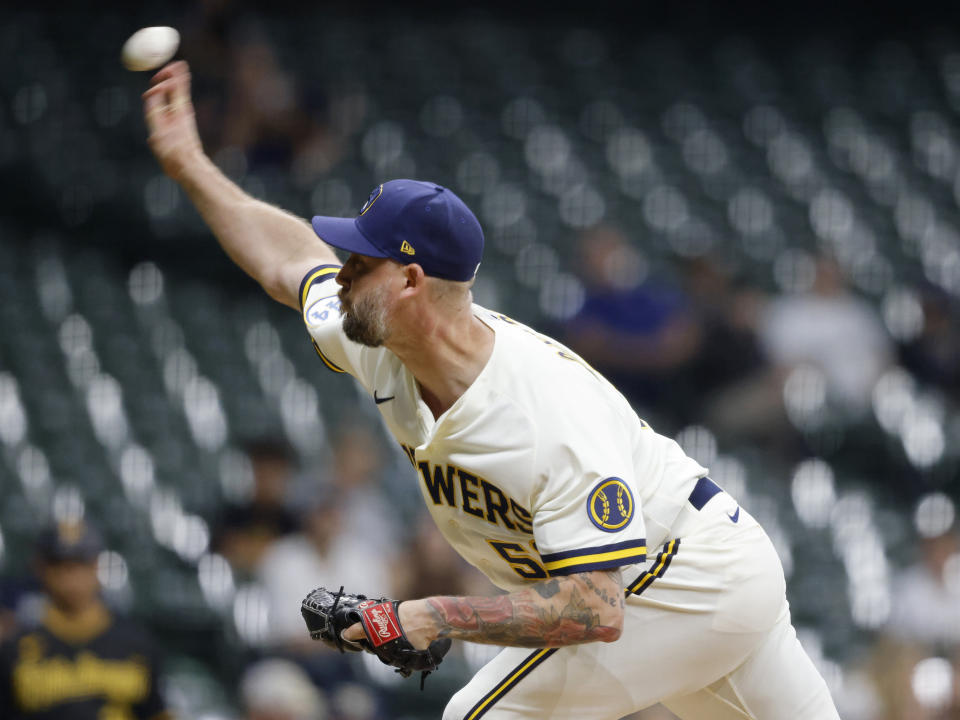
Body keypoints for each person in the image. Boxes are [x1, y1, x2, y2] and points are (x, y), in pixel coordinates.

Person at [142, 60, 840, 719]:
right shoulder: (377, 338)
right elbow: (287, 261)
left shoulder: (544, 411)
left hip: (678, 578)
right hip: (702, 579)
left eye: (360, 259)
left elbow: (598, 611)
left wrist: (437, 613)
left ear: (411, 282)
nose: (343, 272)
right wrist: (190, 165)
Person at [0, 521, 169, 720]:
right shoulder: (15, 645)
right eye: (60, 565)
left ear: (97, 566)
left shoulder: (136, 642)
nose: (71, 576)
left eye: (80, 564)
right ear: (40, 568)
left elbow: (156, 712)